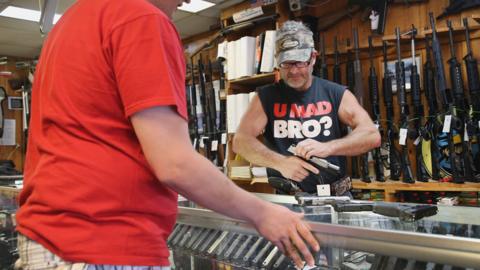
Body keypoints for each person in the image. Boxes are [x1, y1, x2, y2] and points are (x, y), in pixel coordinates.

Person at [15, 1, 319, 269]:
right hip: (102, 244)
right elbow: (174, 163)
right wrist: (264, 213)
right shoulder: (141, 18)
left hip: (57, 242)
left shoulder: (73, 20)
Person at [233, 20, 380, 195]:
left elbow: (372, 135)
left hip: (335, 197)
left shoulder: (335, 93)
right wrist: (280, 162)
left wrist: (330, 147)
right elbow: (240, 142)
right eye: (286, 64)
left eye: (299, 62)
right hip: (289, 200)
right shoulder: (266, 97)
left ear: (313, 58)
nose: (293, 71)